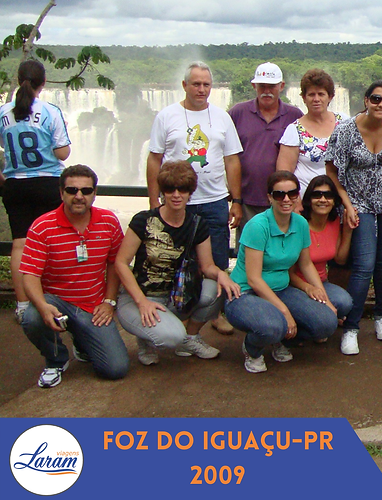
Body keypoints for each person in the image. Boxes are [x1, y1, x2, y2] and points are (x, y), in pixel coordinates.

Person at [114, 161, 241, 365]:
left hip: (176, 295)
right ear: (162, 192)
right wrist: (141, 301)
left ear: (190, 192)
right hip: (140, 297)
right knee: (170, 337)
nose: (176, 195)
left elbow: (207, 266)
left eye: (182, 189)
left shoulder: (197, 223)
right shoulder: (143, 220)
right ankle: (147, 339)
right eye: (169, 189)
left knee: (216, 288)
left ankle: (189, 339)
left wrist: (222, 275)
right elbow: (121, 263)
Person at [224, 171, 346, 373]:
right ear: (269, 197)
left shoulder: (300, 224)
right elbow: (254, 279)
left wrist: (325, 299)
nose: (286, 199)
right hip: (245, 293)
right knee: (274, 326)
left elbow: (306, 265)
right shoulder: (257, 226)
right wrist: (285, 312)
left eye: (292, 193)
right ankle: (252, 348)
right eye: (279, 194)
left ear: (298, 195)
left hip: (281, 289)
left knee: (326, 322)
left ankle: (280, 339)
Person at [18, 165, 128, 387]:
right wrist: (41, 305)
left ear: (94, 193)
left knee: (115, 368)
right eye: (72, 190)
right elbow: (30, 275)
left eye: (86, 191)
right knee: (31, 318)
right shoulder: (42, 227)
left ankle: (81, 340)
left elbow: (115, 264)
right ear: (61, 193)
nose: (79, 196)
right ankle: (56, 359)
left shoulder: (108, 221)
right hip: (56, 301)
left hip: (92, 305)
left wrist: (109, 301)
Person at [326, 80, 382, 356]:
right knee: (363, 264)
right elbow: (332, 170)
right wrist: (347, 205)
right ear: (366, 100)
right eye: (376, 99)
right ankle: (351, 327)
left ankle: (381, 316)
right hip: (357, 203)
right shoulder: (346, 130)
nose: (381, 105)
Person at [147, 62, 243, 282]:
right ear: (184, 85)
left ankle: (212, 310)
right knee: (175, 258)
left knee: (217, 261)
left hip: (215, 201)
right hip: (176, 201)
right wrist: (154, 200)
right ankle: (180, 308)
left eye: (206, 84)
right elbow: (154, 159)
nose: (202, 89)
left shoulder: (222, 117)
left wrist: (236, 200)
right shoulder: (167, 116)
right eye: (196, 84)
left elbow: (232, 160)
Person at [0, 60, 71, 324]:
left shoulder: (3, 112)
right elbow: (63, 151)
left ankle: (22, 304)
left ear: (19, 80)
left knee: (20, 244)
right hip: (48, 184)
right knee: (53, 243)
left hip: (15, 185)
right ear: (43, 83)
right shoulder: (50, 111)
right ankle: (55, 298)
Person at [229, 62, 303, 224]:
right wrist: (236, 200)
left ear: (281, 86)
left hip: (284, 200)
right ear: (254, 86)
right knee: (249, 245)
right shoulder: (238, 113)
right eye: (262, 86)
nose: (267, 91)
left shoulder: (294, 116)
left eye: (272, 86)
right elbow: (226, 155)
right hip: (247, 199)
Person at [276, 68, 340, 197]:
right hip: (307, 203)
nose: (316, 99)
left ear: (330, 97)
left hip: (341, 201)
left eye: (321, 94)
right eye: (311, 94)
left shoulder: (344, 124)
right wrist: (295, 203)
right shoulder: (294, 131)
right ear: (304, 98)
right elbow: (284, 175)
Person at [295, 175, 353, 290]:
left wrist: (347, 230)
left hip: (322, 283)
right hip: (298, 285)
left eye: (328, 196)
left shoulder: (334, 221)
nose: (322, 200)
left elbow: (340, 259)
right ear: (309, 199)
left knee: (344, 302)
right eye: (317, 195)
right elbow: (289, 271)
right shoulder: (299, 222)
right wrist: (309, 289)